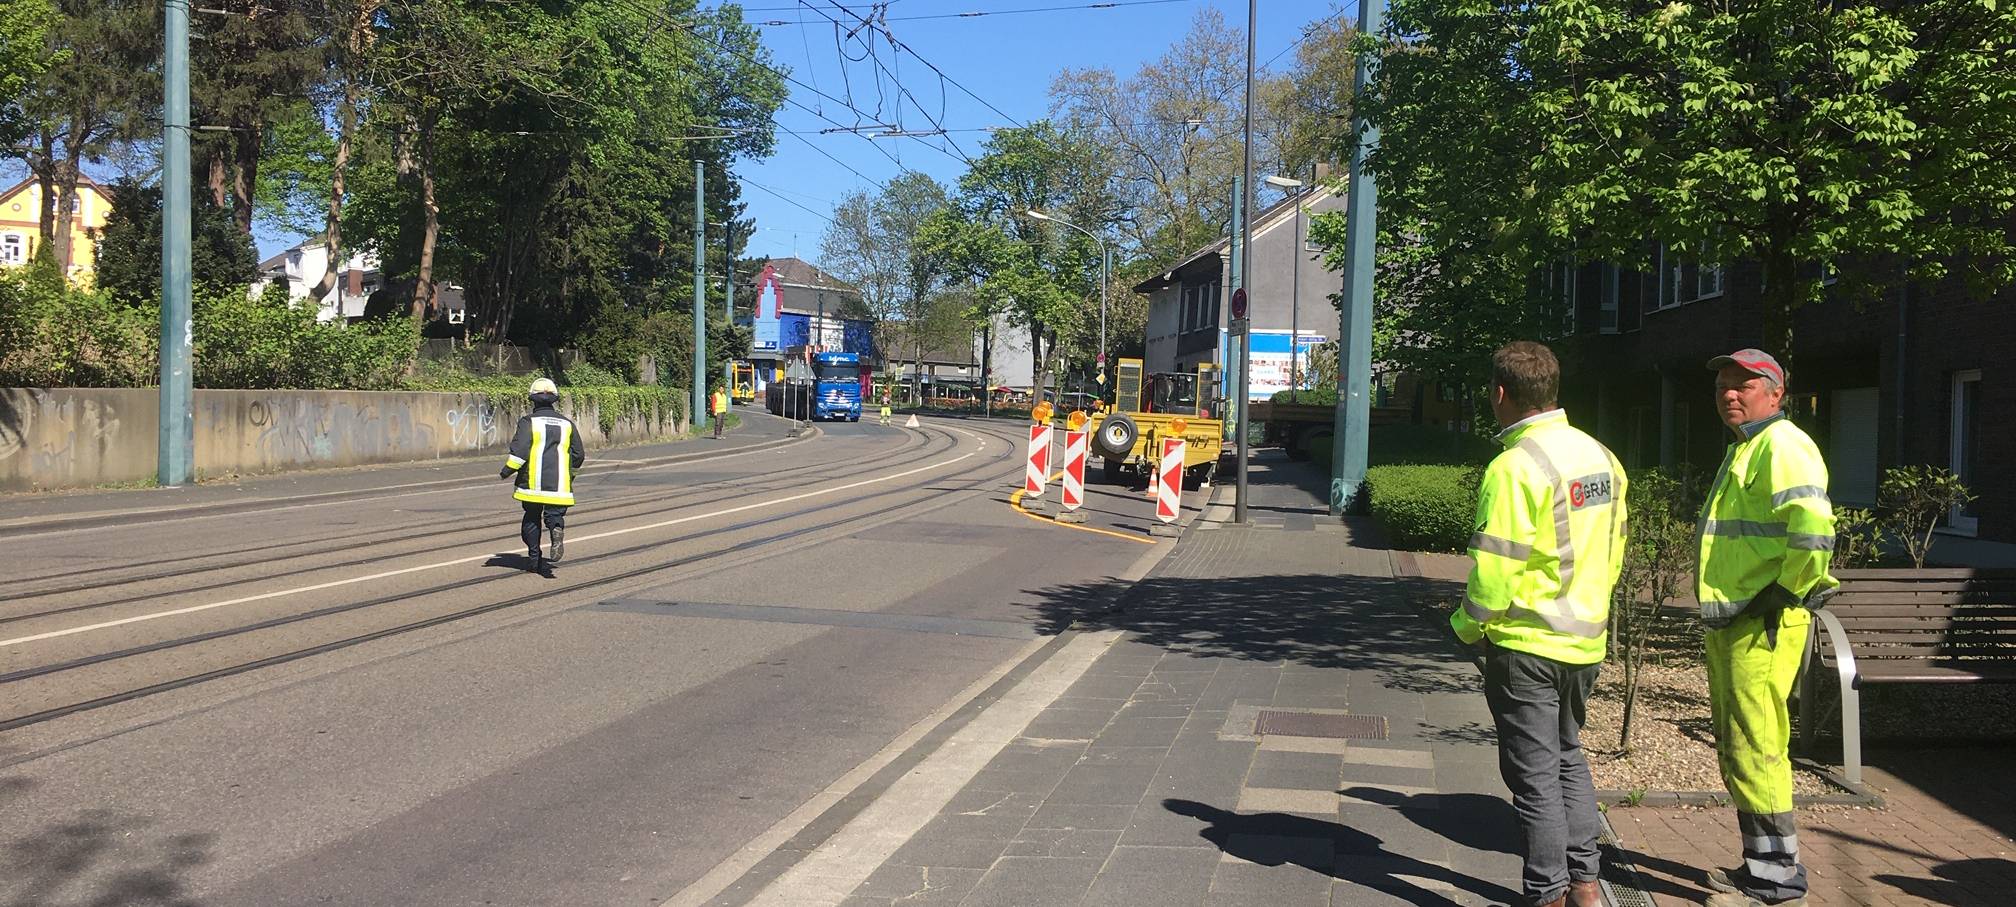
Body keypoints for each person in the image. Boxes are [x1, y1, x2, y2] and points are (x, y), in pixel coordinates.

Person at [1451, 341, 1626, 907]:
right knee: (1568, 757)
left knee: (1534, 780)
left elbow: (1496, 574)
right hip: (1585, 642)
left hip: (1526, 645)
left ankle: (1545, 895)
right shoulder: (1603, 458)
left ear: (1500, 393)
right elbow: (1614, 552)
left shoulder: (1514, 467)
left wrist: (1465, 626)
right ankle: (1586, 886)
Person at [1695, 349, 1836, 907]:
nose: (1730, 394)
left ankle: (1777, 882)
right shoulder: (1750, 447)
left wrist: (1787, 590)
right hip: (1743, 619)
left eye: (1745, 386)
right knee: (1742, 746)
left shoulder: (1782, 445)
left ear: (1776, 394)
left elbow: (1814, 529)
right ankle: (1763, 867)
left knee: (1757, 746)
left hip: (1763, 618)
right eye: (1724, 386)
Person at [500, 378, 585, 575]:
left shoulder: (528, 422)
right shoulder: (567, 424)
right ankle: (556, 529)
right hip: (559, 485)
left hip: (532, 483)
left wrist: (506, 471)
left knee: (531, 517)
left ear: (533, 400)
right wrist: (568, 474)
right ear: (554, 399)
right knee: (554, 513)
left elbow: (519, 453)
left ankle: (534, 559)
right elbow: (579, 455)